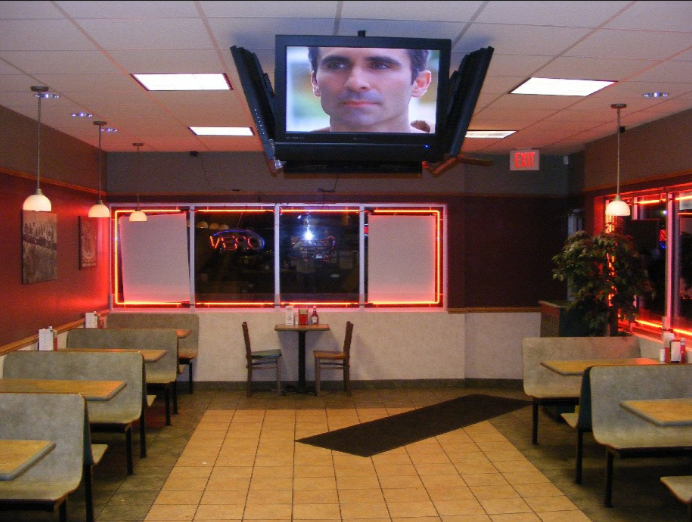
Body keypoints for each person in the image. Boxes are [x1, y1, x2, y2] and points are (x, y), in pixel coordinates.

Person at [307, 46, 432, 133]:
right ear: (315, 82)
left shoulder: (442, 158)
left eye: (381, 66)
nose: (355, 83)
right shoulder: (296, 156)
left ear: (419, 83)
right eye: (336, 65)